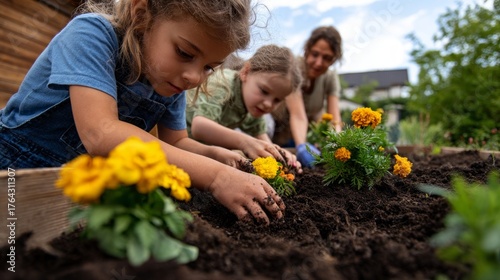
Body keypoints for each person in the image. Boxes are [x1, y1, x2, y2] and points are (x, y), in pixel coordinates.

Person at [0, 0, 285, 225]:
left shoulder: (169, 80)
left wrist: (216, 155)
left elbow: (177, 142)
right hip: (15, 168)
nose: (195, 77)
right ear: (141, 14)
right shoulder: (91, 35)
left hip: (82, 185)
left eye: (209, 67)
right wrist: (216, 177)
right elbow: (101, 133)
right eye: (185, 53)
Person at [185, 44, 303, 173]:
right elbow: (199, 127)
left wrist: (282, 157)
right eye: (264, 91)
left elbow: (264, 143)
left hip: (201, 150)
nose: (268, 104)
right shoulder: (222, 83)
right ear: (246, 72)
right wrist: (245, 142)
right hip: (177, 143)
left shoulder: (252, 106)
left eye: (277, 100)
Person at [270, 26, 343, 168]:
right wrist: (302, 147)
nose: (318, 62)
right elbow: (298, 115)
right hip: (273, 134)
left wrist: (338, 147)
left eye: (327, 58)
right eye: (315, 54)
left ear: (334, 60)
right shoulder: (294, 67)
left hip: (296, 138)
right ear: (307, 49)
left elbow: (334, 120)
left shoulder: (330, 78)